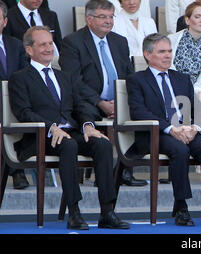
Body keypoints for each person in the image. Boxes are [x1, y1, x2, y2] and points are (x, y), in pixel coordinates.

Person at [9, 26, 130, 230]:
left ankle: (107, 212)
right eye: (43, 44)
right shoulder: (19, 78)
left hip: (70, 134)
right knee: (68, 145)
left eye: (50, 43)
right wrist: (51, 127)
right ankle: (74, 212)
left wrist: (89, 125)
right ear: (29, 50)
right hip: (40, 138)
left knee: (101, 144)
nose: (49, 48)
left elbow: (80, 105)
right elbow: (24, 112)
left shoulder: (64, 76)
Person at [125, 33, 201, 228]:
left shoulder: (181, 78)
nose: (168, 56)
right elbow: (138, 111)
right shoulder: (136, 79)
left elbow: (198, 109)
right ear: (147, 55)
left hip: (186, 130)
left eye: (169, 51)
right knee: (179, 150)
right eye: (162, 52)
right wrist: (170, 129)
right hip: (156, 133)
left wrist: (195, 128)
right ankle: (182, 208)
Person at [59, 0, 146, 187]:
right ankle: (105, 174)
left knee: (141, 111)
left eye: (110, 17)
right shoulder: (72, 42)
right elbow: (74, 81)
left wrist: (121, 101)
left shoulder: (119, 41)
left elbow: (128, 76)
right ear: (89, 19)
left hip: (117, 101)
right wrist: (100, 102)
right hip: (88, 102)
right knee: (84, 109)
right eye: (102, 17)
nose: (108, 21)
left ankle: (123, 169)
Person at [168, 2, 201, 146]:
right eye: (197, 16)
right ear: (187, 20)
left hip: (196, 88)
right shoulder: (173, 39)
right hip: (174, 87)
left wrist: (196, 90)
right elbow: (168, 68)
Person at [0, 0, 28, 190]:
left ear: (4, 22)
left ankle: (18, 168)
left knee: (25, 110)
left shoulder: (16, 45)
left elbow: (24, 75)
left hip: (13, 100)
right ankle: (16, 170)